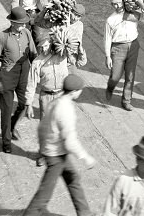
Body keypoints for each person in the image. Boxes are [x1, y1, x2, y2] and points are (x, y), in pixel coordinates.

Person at [22, 74, 95, 216]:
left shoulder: (56, 102)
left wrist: (43, 148)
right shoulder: (66, 110)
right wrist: (85, 157)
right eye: (80, 90)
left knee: (73, 179)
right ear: (74, 92)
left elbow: (42, 127)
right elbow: (70, 141)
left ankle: (85, 213)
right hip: (56, 156)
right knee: (44, 194)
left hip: (53, 151)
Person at [0, 6, 37, 153]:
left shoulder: (27, 33)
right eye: (21, 23)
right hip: (7, 78)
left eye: (25, 23)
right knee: (6, 110)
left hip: (24, 75)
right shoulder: (1, 37)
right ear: (12, 22)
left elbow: (34, 54)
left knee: (24, 104)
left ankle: (12, 125)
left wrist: (39, 69)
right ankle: (6, 140)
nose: (24, 26)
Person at [105, 0, 144, 112]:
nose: (117, 6)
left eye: (119, 3)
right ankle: (110, 87)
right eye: (114, 4)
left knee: (130, 75)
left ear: (123, 2)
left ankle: (126, 101)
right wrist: (107, 56)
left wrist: (142, 5)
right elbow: (107, 38)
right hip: (117, 47)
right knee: (115, 75)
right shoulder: (111, 19)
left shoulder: (133, 14)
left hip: (133, 45)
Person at [25, 34, 69, 125]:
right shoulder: (37, 62)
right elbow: (31, 83)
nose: (44, 49)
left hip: (62, 95)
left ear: (51, 44)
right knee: (46, 126)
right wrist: (28, 104)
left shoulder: (62, 55)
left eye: (46, 46)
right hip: (46, 97)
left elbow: (81, 61)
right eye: (41, 47)